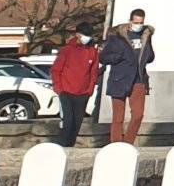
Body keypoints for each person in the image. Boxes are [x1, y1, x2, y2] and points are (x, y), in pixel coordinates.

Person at [99, 9, 155, 145]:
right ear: (130, 21)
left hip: (138, 79)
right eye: (136, 22)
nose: (138, 25)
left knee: (138, 115)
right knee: (118, 117)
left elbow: (150, 55)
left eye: (141, 23)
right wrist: (118, 57)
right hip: (120, 78)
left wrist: (149, 56)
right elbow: (103, 57)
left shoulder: (146, 35)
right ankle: (116, 144)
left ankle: (128, 143)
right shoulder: (117, 37)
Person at [49, 24, 101, 148]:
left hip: (83, 94)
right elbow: (56, 70)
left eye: (89, 35)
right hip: (66, 92)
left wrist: (90, 89)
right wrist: (59, 88)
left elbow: (93, 72)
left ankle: (70, 145)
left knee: (77, 122)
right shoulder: (67, 50)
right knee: (68, 121)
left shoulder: (92, 51)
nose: (87, 38)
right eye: (85, 35)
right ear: (78, 34)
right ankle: (62, 146)